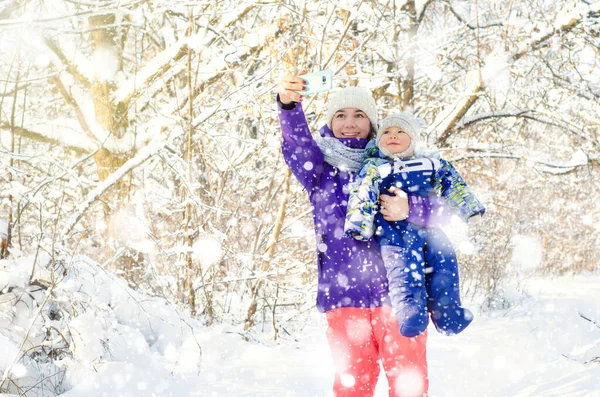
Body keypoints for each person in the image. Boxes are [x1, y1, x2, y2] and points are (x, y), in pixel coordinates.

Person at [277, 77, 443, 397]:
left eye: (359, 115)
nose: (350, 124)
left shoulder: (397, 161)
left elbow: (442, 209)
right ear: (330, 121)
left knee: (409, 386)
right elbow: (297, 144)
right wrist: (289, 106)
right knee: (352, 388)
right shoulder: (320, 171)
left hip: (400, 294)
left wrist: (410, 207)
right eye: (341, 115)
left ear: (372, 122)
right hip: (344, 299)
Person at [345, 112, 485, 338]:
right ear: (378, 140)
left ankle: (448, 311)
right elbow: (362, 193)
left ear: (414, 139)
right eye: (387, 132)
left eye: (401, 132)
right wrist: (358, 224)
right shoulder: (376, 167)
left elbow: (453, 185)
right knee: (404, 270)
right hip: (394, 233)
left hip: (430, 229)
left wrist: (470, 208)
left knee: (444, 262)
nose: (393, 136)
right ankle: (411, 311)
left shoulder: (431, 163)